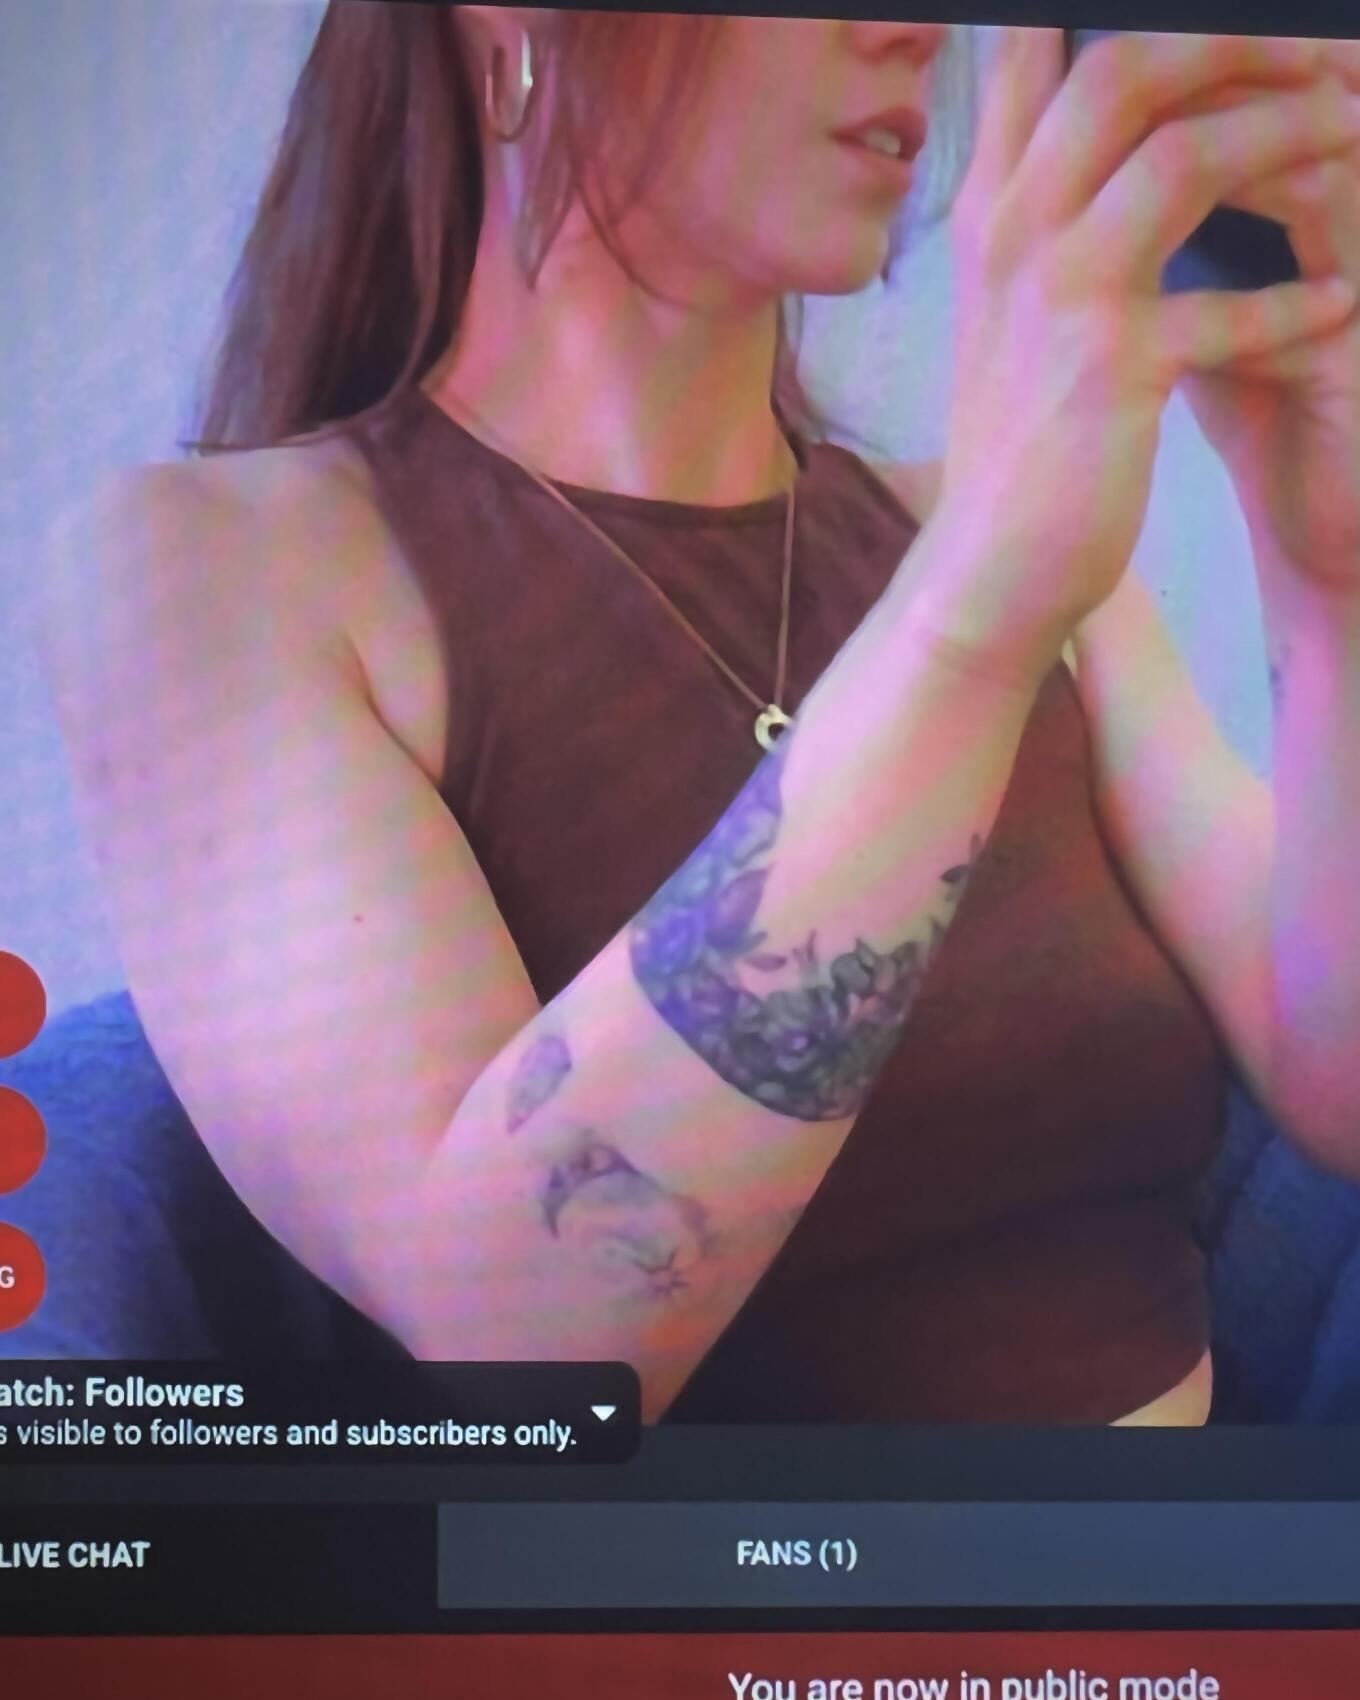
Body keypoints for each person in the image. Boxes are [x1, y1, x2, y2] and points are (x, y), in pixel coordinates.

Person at [42, 9, 1360, 1424]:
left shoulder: (979, 529)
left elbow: (1334, 1081)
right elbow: (518, 1348)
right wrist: (975, 607)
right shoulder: (210, 567)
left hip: (1194, 1562)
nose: (915, 32)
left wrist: (1324, 566)